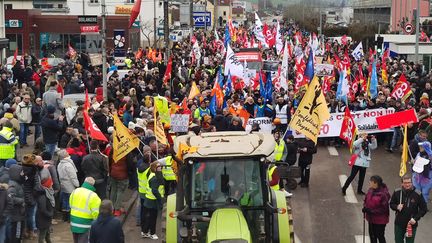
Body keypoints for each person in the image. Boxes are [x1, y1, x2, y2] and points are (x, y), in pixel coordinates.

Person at [390, 174, 428, 243]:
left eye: (409, 183)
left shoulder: (418, 194)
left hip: (411, 224)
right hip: (399, 224)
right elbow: (391, 204)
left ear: (412, 182)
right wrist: (396, 207)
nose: (407, 185)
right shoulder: (397, 192)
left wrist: (416, 218)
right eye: (405, 183)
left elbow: (424, 209)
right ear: (402, 183)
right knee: (398, 241)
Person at [69, 177, 102, 243]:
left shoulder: (75, 191)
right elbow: (96, 214)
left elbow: (70, 205)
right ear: (93, 185)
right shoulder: (94, 196)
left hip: (73, 222)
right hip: (85, 225)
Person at [362, 175, 390, 243]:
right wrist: (365, 207)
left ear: (375, 183)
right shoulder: (370, 190)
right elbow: (366, 200)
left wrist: (371, 211)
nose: (370, 183)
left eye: (371, 182)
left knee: (379, 236)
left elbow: (384, 209)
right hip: (371, 219)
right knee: (372, 235)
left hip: (380, 220)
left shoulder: (383, 194)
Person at [141, 161, 164, 240]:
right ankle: (152, 233)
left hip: (149, 199)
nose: (160, 167)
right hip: (153, 201)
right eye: (158, 167)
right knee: (153, 218)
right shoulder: (155, 178)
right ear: (155, 168)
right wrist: (160, 200)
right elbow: (154, 190)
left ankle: (145, 231)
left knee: (149, 217)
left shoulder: (152, 175)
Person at [4, 164, 26, 243]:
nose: (23, 174)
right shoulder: (13, 185)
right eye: (21, 172)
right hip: (16, 216)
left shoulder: (17, 183)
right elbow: (10, 198)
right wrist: (22, 201)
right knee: (16, 235)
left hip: (18, 214)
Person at [57, 149, 80, 222]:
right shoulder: (68, 165)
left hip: (63, 185)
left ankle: (65, 217)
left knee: (65, 200)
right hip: (70, 185)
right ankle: (70, 218)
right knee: (71, 201)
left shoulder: (60, 164)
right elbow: (73, 176)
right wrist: (77, 185)